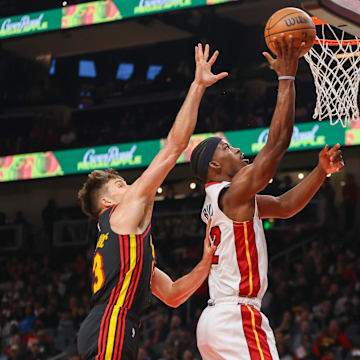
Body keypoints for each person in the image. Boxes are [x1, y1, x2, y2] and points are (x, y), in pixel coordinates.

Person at [190, 35, 345, 360]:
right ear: (214, 165)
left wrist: (320, 173)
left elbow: (286, 206)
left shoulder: (225, 200)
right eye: (226, 148)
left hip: (213, 321)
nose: (236, 149)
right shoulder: (232, 195)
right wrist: (287, 78)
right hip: (236, 317)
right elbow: (276, 145)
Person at [77, 43, 227, 360]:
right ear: (107, 201)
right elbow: (174, 147)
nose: (130, 186)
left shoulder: (127, 246)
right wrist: (198, 86)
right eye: (120, 184)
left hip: (114, 326)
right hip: (111, 326)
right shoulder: (122, 214)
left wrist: (205, 262)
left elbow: (172, 295)